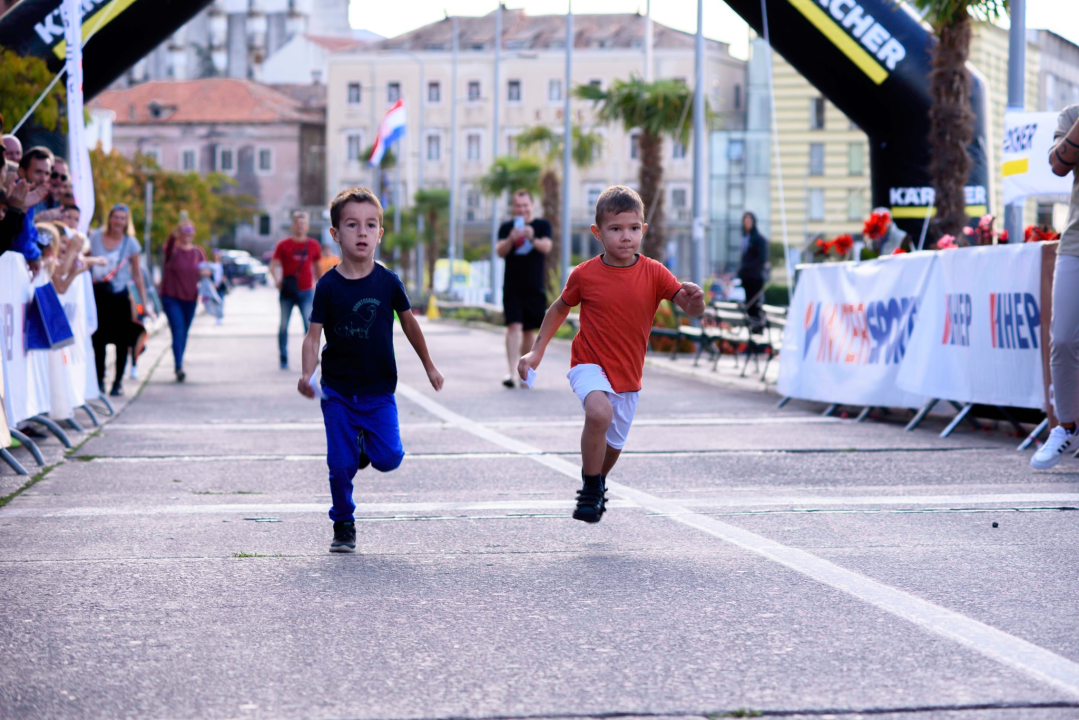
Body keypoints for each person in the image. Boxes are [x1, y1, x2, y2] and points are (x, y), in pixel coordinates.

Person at [517, 186, 704, 523]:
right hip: (588, 364)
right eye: (615, 229)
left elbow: (689, 308)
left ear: (643, 230)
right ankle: (589, 490)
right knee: (599, 413)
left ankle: (598, 481)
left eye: (633, 228)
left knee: (613, 445)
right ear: (598, 233)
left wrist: (696, 300)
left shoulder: (655, 273)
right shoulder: (584, 274)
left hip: (628, 377)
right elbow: (559, 309)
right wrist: (535, 352)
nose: (626, 237)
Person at [298, 187, 444, 553]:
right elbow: (312, 336)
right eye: (352, 225)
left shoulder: (388, 282)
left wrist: (429, 366)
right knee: (340, 463)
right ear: (335, 234)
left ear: (380, 233)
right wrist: (307, 374)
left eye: (370, 225)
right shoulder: (328, 286)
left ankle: (364, 445)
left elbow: (411, 325)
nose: (361, 232)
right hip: (338, 391)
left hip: (379, 390)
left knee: (390, 458)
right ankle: (343, 522)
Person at [1033, 103, 1079, 469]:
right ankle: (1066, 426)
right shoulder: (1071, 115)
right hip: (1076, 243)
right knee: (1062, 338)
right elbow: (1057, 165)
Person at [90, 204, 153, 397]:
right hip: (99, 295)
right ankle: (99, 381)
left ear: (127, 222)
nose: (118, 222)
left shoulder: (131, 243)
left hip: (120, 297)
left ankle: (117, 382)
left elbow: (137, 274)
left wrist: (144, 303)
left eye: (122, 218)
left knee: (122, 342)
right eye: (115, 217)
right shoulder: (95, 239)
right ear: (109, 219)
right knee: (98, 340)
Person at [496, 189, 552, 388]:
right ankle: (511, 373)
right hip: (512, 287)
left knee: (528, 331)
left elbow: (546, 247)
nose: (522, 209)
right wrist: (512, 238)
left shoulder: (541, 225)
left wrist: (532, 238)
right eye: (518, 206)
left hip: (534, 287)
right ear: (513, 207)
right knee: (514, 327)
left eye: (525, 205)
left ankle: (523, 372)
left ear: (532, 206)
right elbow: (499, 251)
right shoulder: (506, 227)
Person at [270, 210, 323, 369]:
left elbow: (318, 267)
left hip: (306, 291)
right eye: (297, 224)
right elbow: (273, 266)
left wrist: (321, 286)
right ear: (293, 226)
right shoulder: (283, 245)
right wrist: (277, 281)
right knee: (284, 326)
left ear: (307, 226)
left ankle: (312, 356)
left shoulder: (313, 245)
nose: (300, 227)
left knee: (309, 326)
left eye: (303, 224)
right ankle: (283, 355)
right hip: (287, 292)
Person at [160, 217, 210, 383]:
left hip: (190, 297)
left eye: (190, 231)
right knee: (178, 330)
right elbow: (167, 248)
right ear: (179, 233)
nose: (187, 234)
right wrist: (174, 234)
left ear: (194, 233)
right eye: (184, 230)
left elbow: (205, 270)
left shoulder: (198, 252)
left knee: (184, 332)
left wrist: (208, 273)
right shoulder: (172, 250)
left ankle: (179, 360)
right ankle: (179, 365)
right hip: (171, 297)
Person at [737, 211, 769, 331]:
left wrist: (746, 268)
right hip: (747, 278)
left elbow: (761, 259)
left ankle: (757, 330)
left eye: (749, 221)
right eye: (745, 221)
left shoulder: (759, 239)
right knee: (749, 306)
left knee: (755, 306)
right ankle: (753, 330)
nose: (747, 223)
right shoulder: (745, 238)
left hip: (755, 278)